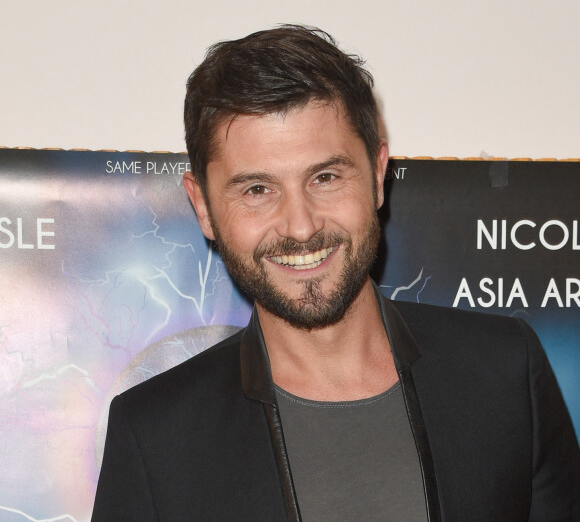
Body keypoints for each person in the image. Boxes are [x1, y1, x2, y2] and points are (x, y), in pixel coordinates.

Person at [92, 25, 580, 521]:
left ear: (377, 174)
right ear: (202, 206)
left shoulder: (504, 371)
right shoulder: (154, 435)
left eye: (325, 177)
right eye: (257, 189)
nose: (301, 227)